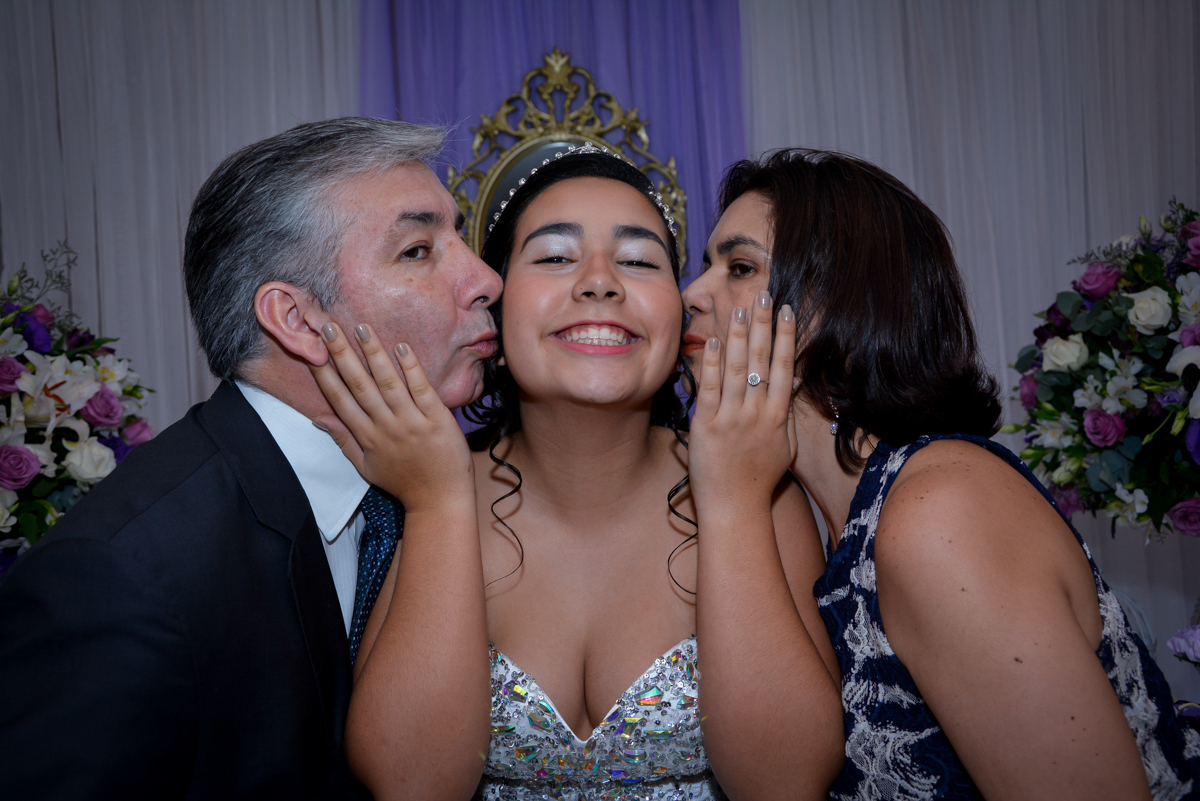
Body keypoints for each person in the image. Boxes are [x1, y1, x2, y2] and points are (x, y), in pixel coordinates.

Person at [308, 144, 844, 800]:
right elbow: (410, 783)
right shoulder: (420, 485)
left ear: (678, 317)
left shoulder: (759, 486)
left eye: (638, 261)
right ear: (493, 313)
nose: (599, 282)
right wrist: (440, 503)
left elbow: (788, 782)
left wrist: (732, 501)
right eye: (556, 257)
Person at [0, 117, 502, 799]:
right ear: (297, 320)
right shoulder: (122, 575)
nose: (485, 278)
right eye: (417, 250)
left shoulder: (420, 486)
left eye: (459, 238)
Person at [681, 148, 1200, 800]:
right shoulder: (838, 513)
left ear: (842, 302)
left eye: (739, 267)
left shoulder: (938, 511)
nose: (692, 293)